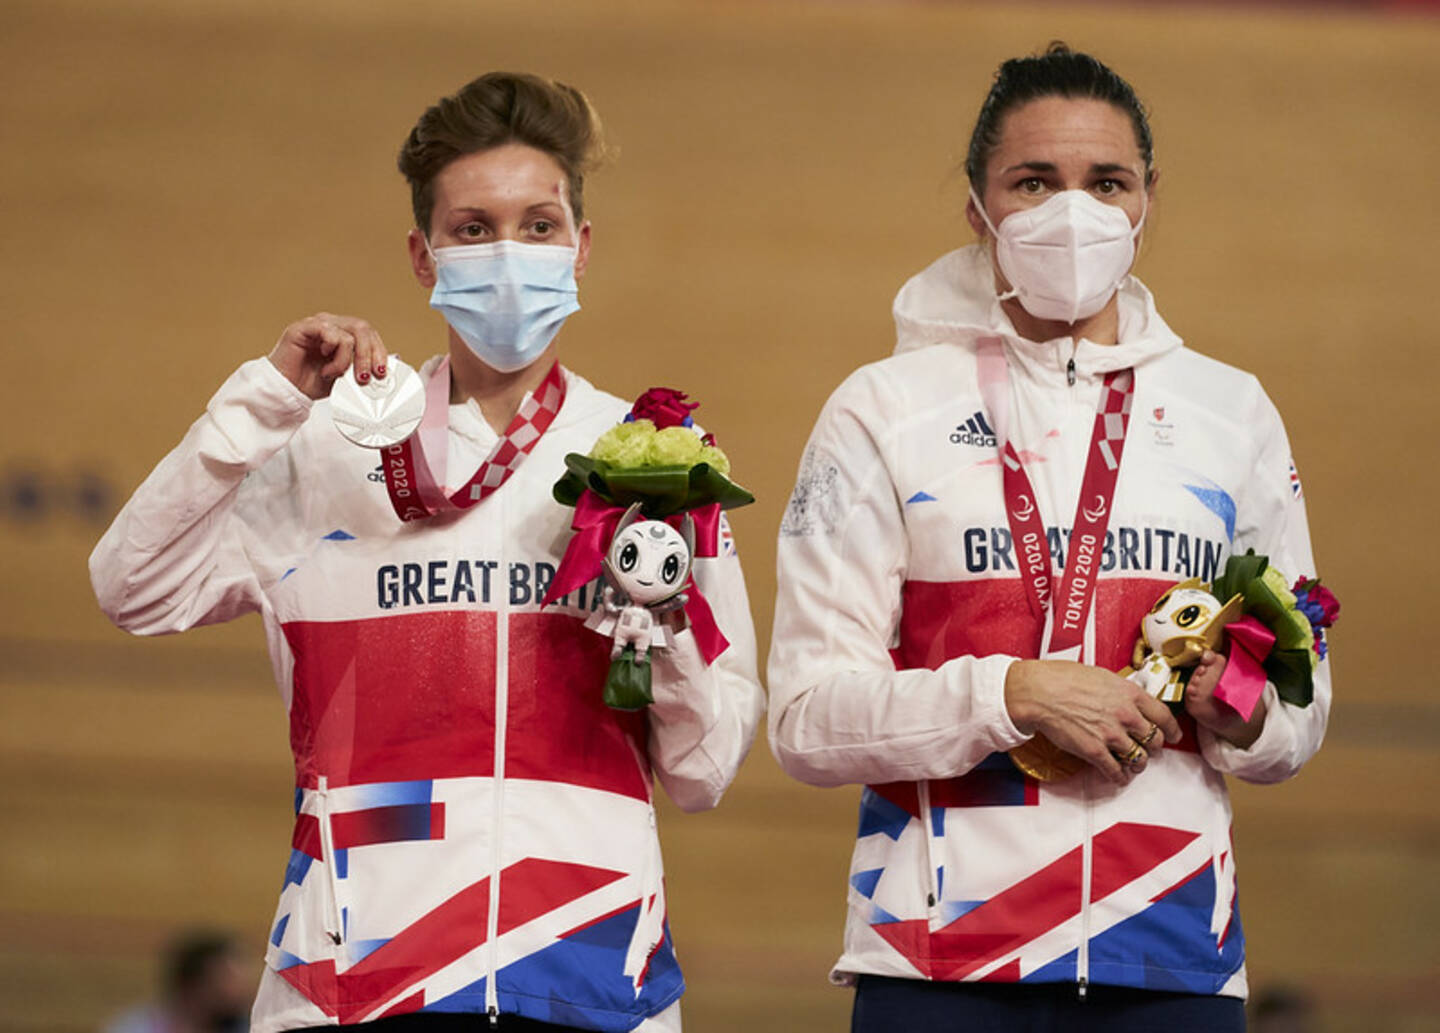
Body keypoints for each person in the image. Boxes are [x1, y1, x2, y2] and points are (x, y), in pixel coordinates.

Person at [91, 72, 763, 1033]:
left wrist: (658, 625)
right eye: (474, 226)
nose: (510, 253)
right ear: (424, 255)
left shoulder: (653, 463)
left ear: (581, 249)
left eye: (539, 225)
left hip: (588, 979)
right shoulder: (326, 446)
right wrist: (264, 402)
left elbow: (703, 768)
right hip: (352, 984)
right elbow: (129, 587)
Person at [768, 43, 1330, 1032]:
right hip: (935, 963)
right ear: (978, 208)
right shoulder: (883, 410)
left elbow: (1301, 698)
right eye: (1034, 182)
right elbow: (807, 720)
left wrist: (1243, 708)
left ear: (1147, 200)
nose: (1073, 212)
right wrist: (1008, 691)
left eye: (1105, 182)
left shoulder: (1229, 412)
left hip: (1172, 959)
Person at [101, 928, 251, 1033]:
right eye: (228, 980)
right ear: (193, 986)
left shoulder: (246, 1026)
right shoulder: (135, 1028)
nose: (241, 991)